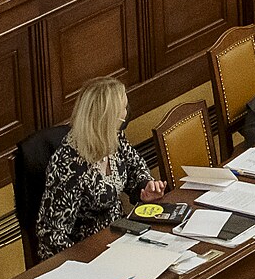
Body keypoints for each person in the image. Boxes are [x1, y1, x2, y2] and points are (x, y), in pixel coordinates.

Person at [36, 76, 165, 260]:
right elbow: (53, 236)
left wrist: (145, 187)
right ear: (108, 118)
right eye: (123, 108)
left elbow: (136, 168)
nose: (126, 114)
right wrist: (87, 264)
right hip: (88, 252)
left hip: (120, 237)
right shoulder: (68, 164)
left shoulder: (114, 137)